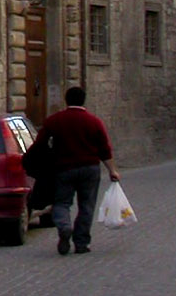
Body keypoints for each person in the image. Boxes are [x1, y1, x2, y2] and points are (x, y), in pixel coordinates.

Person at [31, 85, 120, 256]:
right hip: (90, 168)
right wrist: (112, 170)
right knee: (86, 205)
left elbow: (40, 144)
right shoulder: (94, 122)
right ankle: (81, 243)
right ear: (83, 100)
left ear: (66, 100)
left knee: (62, 202)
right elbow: (104, 149)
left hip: (64, 168)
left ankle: (64, 227)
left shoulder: (54, 120)